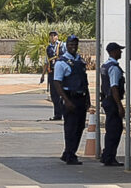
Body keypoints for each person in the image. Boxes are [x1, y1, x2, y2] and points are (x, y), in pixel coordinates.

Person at [53, 34, 90, 164]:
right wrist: (66, 101)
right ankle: (70, 154)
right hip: (70, 98)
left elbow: (84, 81)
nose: (73, 47)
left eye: (75, 44)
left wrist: (88, 99)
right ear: (66, 46)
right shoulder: (61, 62)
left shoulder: (79, 60)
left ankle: (68, 152)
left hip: (81, 98)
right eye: (70, 45)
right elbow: (57, 83)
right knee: (70, 128)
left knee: (79, 127)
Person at [99, 42, 126, 166]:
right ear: (113, 52)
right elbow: (114, 87)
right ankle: (109, 157)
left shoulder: (105, 66)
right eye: (119, 50)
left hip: (107, 100)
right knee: (115, 130)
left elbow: (103, 85)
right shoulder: (114, 68)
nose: (121, 52)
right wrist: (119, 105)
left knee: (110, 129)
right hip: (112, 101)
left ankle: (106, 155)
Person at [39, 31, 65, 120]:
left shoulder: (62, 46)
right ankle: (57, 115)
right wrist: (43, 75)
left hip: (61, 73)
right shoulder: (48, 48)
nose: (53, 37)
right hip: (52, 72)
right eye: (51, 36)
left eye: (54, 35)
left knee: (62, 93)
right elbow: (46, 62)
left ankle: (65, 114)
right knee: (54, 95)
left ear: (57, 37)